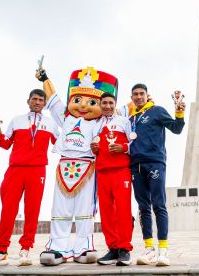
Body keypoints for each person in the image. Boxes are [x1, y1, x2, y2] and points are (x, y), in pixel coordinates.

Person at [36, 66, 118, 265]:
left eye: (92, 102)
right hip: (64, 167)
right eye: (78, 100)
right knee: (60, 209)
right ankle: (57, 247)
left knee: (85, 210)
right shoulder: (65, 118)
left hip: (87, 168)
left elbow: (120, 113)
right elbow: (53, 98)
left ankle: (83, 247)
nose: (84, 106)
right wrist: (45, 78)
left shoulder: (100, 122)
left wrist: (139, 102)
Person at [0, 89, 58, 267]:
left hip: (37, 171)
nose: (37, 102)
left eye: (40, 100)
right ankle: (1, 251)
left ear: (44, 103)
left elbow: (60, 144)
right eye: (34, 99)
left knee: (32, 209)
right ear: (28, 101)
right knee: (8, 209)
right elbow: (6, 144)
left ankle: (25, 249)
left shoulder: (51, 123)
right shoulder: (16, 120)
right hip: (15, 170)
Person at [128, 83, 185, 267]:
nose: (138, 97)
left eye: (141, 94)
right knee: (143, 207)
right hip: (135, 166)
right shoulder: (131, 119)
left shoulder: (157, 111)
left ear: (147, 95)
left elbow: (176, 128)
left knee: (159, 205)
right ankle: (149, 249)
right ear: (132, 98)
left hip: (155, 163)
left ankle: (163, 250)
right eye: (135, 94)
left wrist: (179, 112)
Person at [90, 92, 134, 266]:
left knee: (123, 210)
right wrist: (94, 149)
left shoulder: (124, 121)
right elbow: (95, 149)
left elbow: (133, 143)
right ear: (100, 105)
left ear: (114, 104)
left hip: (121, 170)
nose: (107, 106)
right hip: (102, 171)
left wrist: (123, 147)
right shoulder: (96, 125)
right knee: (106, 212)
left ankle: (125, 249)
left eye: (110, 103)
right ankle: (113, 248)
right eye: (104, 103)